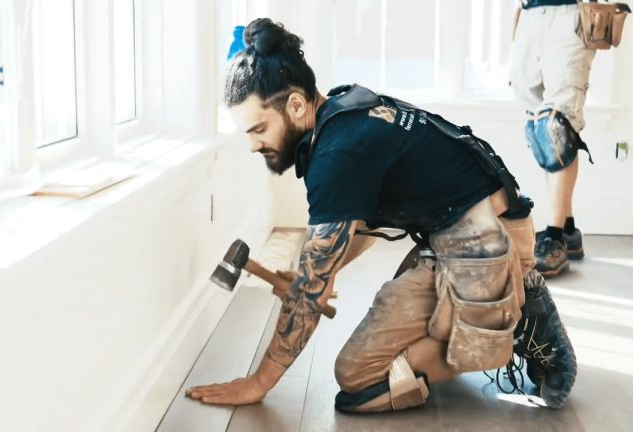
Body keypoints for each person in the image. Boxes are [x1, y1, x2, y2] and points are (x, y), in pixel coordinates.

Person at [185, 18, 576, 412]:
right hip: (468, 232)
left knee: (358, 378)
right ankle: (485, 314)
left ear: (296, 105)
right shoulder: (344, 108)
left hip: (486, 245)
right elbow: (365, 222)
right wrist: (320, 274)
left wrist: (259, 382)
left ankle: (516, 320)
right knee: (397, 338)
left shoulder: (337, 155)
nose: (254, 145)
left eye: (258, 129)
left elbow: (314, 286)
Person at [510, 0, 597, 277]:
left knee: (557, 126)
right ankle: (568, 231)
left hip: (568, 13)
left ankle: (555, 236)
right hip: (529, 15)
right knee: (540, 129)